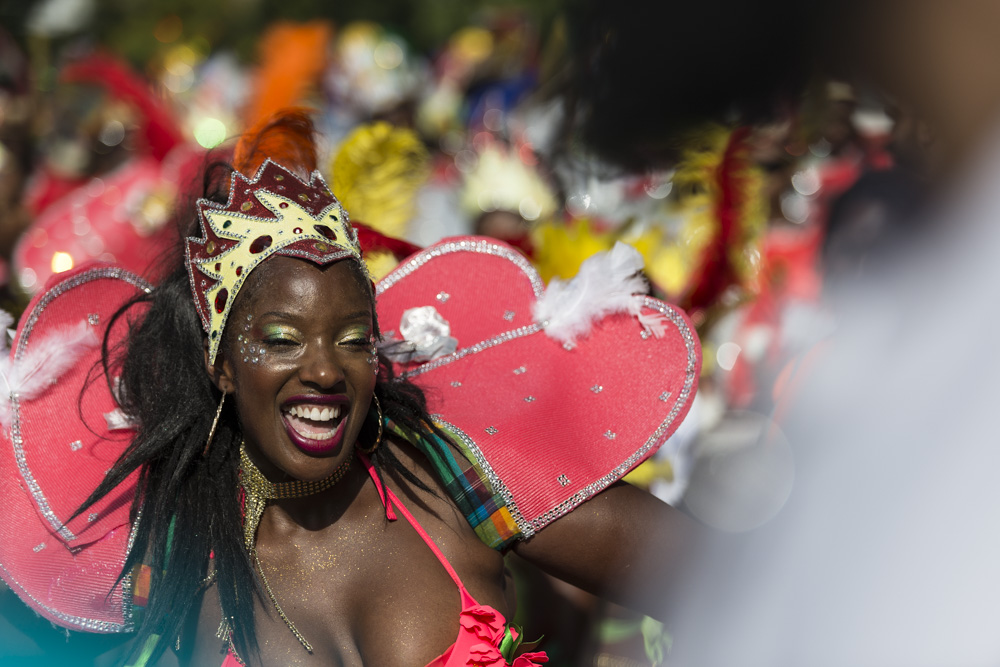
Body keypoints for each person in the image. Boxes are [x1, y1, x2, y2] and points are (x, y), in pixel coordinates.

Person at [0, 108, 699, 666]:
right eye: (281, 340)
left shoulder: (449, 480)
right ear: (221, 366)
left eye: (353, 339)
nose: (326, 370)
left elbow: (743, 585)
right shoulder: (175, 561)